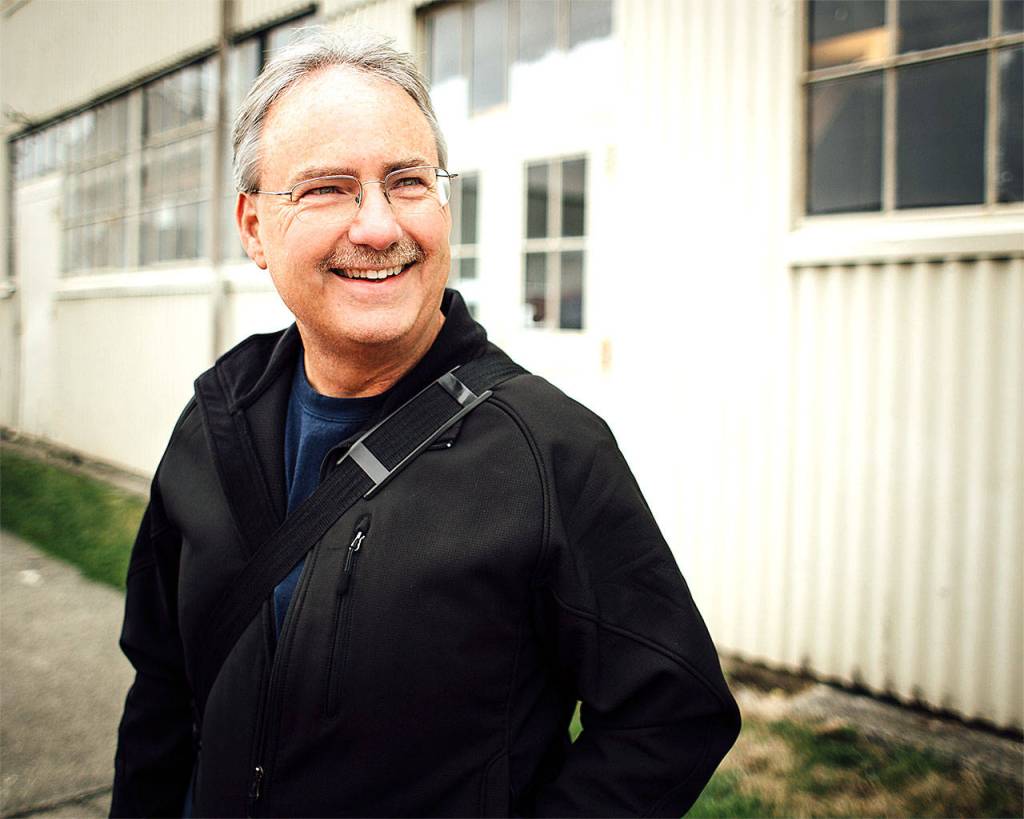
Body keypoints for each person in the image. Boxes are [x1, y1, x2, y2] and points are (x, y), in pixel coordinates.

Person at [111, 28, 739, 818]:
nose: (379, 227)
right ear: (253, 226)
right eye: (328, 187)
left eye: (407, 181)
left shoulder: (548, 450)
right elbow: (162, 692)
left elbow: (673, 714)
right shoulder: (215, 422)